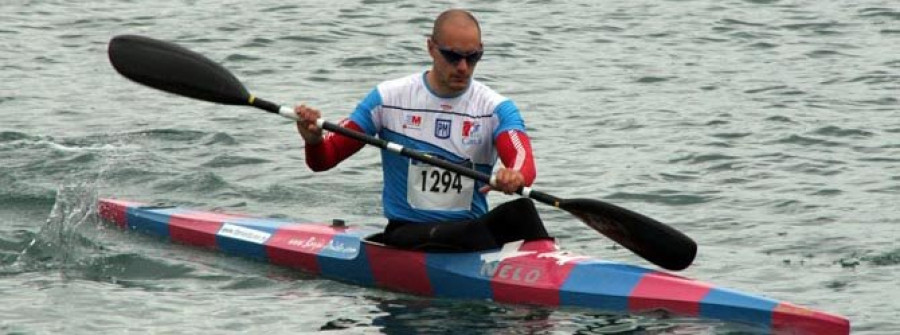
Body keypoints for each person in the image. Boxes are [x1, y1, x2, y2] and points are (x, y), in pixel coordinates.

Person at [294, 9, 550, 252]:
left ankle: (550, 265)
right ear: (431, 48)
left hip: (470, 233)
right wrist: (314, 140)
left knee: (522, 210)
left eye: (472, 57)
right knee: (474, 232)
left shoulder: (494, 108)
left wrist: (515, 176)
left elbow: (523, 160)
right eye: (453, 56)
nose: (463, 67)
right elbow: (325, 160)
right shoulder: (388, 98)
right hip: (408, 233)